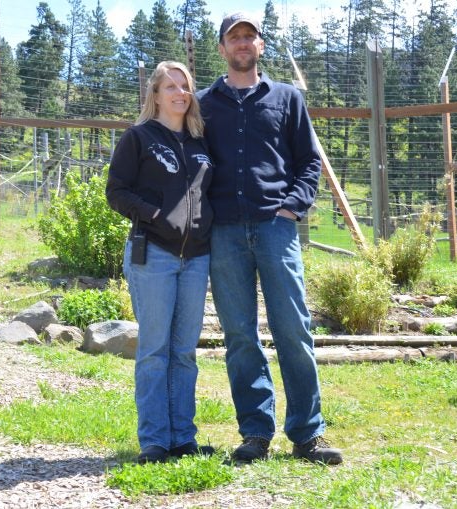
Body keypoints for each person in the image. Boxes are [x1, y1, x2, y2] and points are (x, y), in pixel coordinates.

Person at [196, 13, 343, 465]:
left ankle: (307, 434)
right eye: (233, 38)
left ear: (261, 46)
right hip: (224, 232)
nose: (242, 44)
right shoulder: (204, 103)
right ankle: (255, 434)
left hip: (276, 228)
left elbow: (308, 161)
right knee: (240, 334)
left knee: (293, 329)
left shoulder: (287, 98)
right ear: (221, 48)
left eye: (249, 37)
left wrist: (291, 207)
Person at [106, 61, 215, 464]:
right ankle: (154, 440)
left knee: (184, 351)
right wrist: (154, 216)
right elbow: (116, 192)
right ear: (154, 95)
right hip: (152, 254)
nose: (178, 93)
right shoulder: (139, 138)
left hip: (197, 258)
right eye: (169, 86)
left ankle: (183, 437)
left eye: (184, 86)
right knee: (155, 349)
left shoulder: (201, 141)